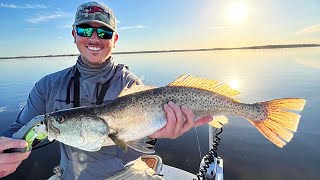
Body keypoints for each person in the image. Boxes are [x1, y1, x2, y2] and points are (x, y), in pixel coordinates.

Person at [0, 1, 213, 179]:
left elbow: (137, 145)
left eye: (104, 32)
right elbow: (19, 128)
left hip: (126, 173)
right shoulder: (47, 86)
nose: (94, 38)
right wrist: (7, 151)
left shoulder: (131, 86)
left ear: (115, 39)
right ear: (74, 34)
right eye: (85, 29)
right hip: (69, 175)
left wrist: (155, 135)